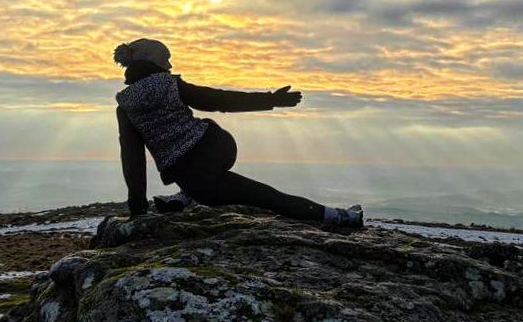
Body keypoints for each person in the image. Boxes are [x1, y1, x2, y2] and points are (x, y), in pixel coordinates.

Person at [113, 37, 363, 229]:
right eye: (166, 59)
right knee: (267, 196)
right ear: (155, 62)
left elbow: (132, 159)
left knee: (264, 197)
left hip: (193, 181)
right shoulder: (169, 85)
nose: (170, 65)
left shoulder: (125, 106)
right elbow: (220, 100)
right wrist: (271, 100)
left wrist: (138, 211)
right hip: (214, 153)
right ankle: (345, 218)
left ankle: (186, 194)